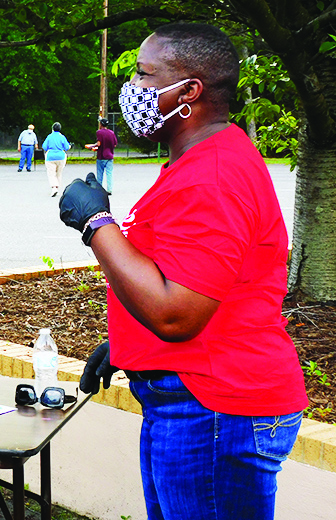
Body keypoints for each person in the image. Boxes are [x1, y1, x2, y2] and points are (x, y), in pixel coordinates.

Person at [59, 23, 307, 520]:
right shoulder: (202, 161)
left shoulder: (214, 174)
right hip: (195, 401)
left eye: (145, 76)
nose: (134, 90)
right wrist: (130, 347)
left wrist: (96, 224)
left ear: (189, 91)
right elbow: (195, 278)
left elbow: (177, 315)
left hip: (214, 406)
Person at [85, 118, 117, 194]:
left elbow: (99, 144)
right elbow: (115, 144)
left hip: (101, 155)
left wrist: (92, 146)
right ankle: (109, 189)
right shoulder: (111, 133)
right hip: (110, 156)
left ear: (101, 124)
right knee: (109, 173)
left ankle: (99, 189)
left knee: (100, 174)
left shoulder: (99, 132)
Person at [41, 122, 71, 197]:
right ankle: (57, 187)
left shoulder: (49, 137)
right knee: (59, 173)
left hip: (50, 157)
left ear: (52, 129)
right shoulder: (62, 137)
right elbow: (67, 147)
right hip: (61, 157)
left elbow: (44, 147)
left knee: (51, 173)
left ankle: (54, 187)